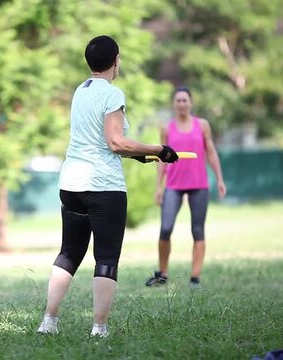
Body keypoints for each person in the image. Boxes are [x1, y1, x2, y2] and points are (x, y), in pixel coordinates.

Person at [36, 35, 178, 338]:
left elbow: (106, 141)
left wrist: (142, 154)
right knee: (107, 256)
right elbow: (115, 142)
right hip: (103, 186)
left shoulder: (81, 90)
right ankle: (99, 329)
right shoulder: (112, 94)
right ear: (116, 61)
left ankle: (49, 321)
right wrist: (160, 149)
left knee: (70, 253)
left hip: (72, 183)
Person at [144, 87, 226, 289]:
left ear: (191, 102)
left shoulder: (203, 125)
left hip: (199, 185)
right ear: (174, 104)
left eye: (185, 100)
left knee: (197, 230)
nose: (181, 103)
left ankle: (195, 277)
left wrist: (220, 178)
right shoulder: (166, 129)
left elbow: (212, 152)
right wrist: (158, 186)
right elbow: (161, 159)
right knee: (165, 228)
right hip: (174, 185)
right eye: (178, 100)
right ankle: (162, 274)